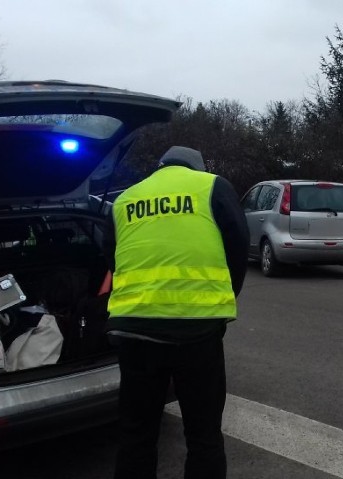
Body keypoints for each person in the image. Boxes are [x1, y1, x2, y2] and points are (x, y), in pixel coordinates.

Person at [105, 146, 248, 479]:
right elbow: (239, 245)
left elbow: (112, 259)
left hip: (134, 330)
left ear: (159, 167)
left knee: (136, 435)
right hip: (197, 332)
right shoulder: (212, 186)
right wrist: (224, 298)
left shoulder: (125, 199)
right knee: (204, 435)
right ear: (197, 167)